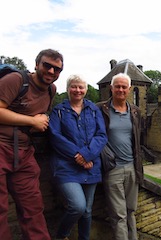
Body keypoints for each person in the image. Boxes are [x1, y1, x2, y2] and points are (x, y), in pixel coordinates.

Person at [0, 49, 63, 240]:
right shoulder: (15, 81)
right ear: (36, 65)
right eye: (47, 66)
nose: (51, 72)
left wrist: (40, 122)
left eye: (57, 69)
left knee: (33, 208)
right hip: (1, 147)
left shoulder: (51, 90)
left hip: (24, 153)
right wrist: (32, 122)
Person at [49, 74, 107, 240]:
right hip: (66, 167)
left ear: (86, 89)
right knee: (78, 206)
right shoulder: (58, 111)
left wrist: (87, 155)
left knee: (87, 210)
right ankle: (61, 236)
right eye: (74, 86)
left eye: (81, 87)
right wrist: (78, 156)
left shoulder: (94, 110)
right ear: (68, 89)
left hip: (91, 166)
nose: (77, 90)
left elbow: (101, 135)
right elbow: (55, 136)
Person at [97, 73, 144, 240]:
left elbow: (139, 139)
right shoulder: (100, 109)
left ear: (129, 89)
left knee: (131, 210)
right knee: (118, 215)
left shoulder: (136, 112)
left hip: (132, 167)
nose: (121, 89)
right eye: (117, 86)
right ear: (111, 88)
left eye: (124, 87)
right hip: (112, 169)